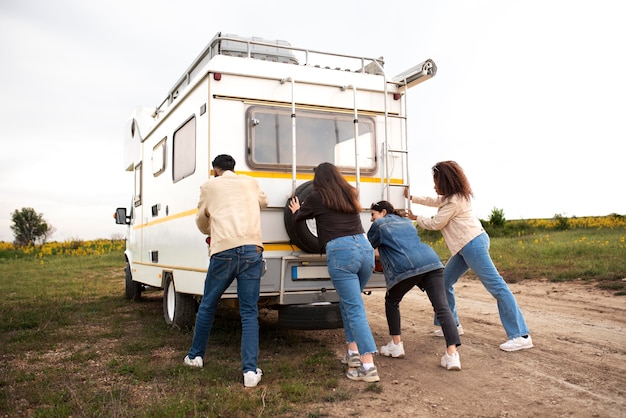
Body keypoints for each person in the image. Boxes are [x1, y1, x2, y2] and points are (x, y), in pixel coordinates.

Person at [405, 161, 533, 352]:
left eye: (436, 181)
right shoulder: (450, 198)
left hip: (472, 244)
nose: (434, 185)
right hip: (465, 246)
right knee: (444, 282)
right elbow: (434, 201)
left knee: (497, 286)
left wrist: (415, 218)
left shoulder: (455, 201)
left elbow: (436, 223)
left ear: (446, 181)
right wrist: (411, 197)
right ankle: (452, 325)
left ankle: (521, 335)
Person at [288, 162, 380, 382]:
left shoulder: (317, 197)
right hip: (365, 249)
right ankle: (353, 354)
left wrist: (295, 211)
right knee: (350, 304)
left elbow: (298, 218)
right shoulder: (349, 194)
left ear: (319, 179)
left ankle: (368, 367)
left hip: (342, 252)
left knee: (354, 308)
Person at [184, 154, 269, 388]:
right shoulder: (249, 182)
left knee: (209, 304)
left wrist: (212, 225)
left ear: (215, 170)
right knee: (249, 311)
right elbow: (264, 201)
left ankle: (195, 357)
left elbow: (201, 221)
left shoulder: (209, 186)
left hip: (224, 250)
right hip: (252, 248)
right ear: (234, 168)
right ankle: (250, 372)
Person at [367, 201, 462, 370]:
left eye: (372, 214)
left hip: (407, 267)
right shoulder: (406, 222)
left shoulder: (379, 224)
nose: (371, 219)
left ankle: (396, 345)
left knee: (392, 301)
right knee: (442, 306)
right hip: (432, 262)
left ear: (382, 212)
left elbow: (367, 249)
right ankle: (452, 355)